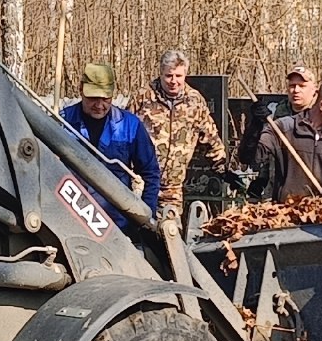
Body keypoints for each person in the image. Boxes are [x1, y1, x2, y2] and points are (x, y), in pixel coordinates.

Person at [137, 49, 228, 226]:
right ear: (161, 74)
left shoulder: (194, 100)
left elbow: (209, 135)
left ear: (185, 74)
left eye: (178, 76)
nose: (173, 81)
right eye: (169, 76)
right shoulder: (144, 96)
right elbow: (124, 130)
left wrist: (222, 166)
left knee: (170, 234)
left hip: (173, 186)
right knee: (138, 229)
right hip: (142, 181)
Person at [59, 61, 162, 211]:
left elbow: (150, 173)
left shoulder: (130, 126)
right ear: (81, 90)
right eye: (93, 98)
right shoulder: (63, 123)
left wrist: (146, 215)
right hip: (71, 215)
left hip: (117, 222)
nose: (99, 105)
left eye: (105, 98)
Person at [253, 77, 322, 204]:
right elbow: (252, 156)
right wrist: (255, 126)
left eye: (301, 86)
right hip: (287, 214)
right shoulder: (283, 128)